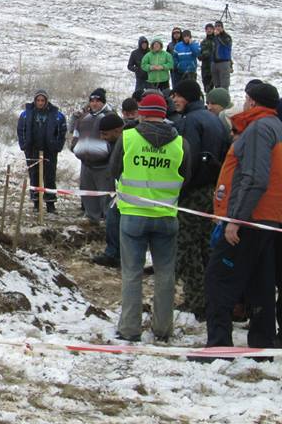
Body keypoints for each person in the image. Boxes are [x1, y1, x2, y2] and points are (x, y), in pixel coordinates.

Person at [204, 82, 281, 350]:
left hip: (251, 218)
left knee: (218, 279)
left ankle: (218, 345)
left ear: (251, 102)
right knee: (261, 284)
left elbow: (255, 178)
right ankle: (262, 345)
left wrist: (235, 219)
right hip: (269, 219)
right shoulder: (276, 127)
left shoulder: (260, 128)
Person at [109, 93, 191, 342]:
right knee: (166, 274)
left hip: (133, 215)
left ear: (142, 112)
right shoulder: (181, 143)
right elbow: (186, 177)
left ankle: (130, 328)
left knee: (132, 273)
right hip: (166, 216)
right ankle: (163, 328)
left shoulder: (128, 137)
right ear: (165, 114)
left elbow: (113, 170)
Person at [170, 79, 230, 319]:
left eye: (178, 96)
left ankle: (197, 301)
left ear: (190, 97)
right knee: (207, 246)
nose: (174, 99)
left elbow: (188, 160)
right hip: (212, 191)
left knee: (187, 247)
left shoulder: (191, 122)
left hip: (193, 193)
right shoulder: (214, 120)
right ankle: (213, 298)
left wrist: (181, 191)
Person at [17, 90, 67, 213]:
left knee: (50, 177)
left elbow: (61, 132)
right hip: (32, 149)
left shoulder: (57, 115)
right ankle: (36, 203)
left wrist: (57, 146)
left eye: (42, 100)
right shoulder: (26, 114)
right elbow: (20, 130)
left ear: (46, 101)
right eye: (38, 100)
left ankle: (50, 204)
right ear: (35, 101)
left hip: (49, 150)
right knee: (34, 176)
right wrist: (24, 145)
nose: (40, 103)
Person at [70, 88, 115, 223]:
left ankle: (109, 220)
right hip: (86, 162)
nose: (94, 104)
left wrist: (110, 154)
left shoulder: (110, 117)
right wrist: (75, 148)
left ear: (103, 102)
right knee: (88, 193)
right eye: (92, 101)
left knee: (106, 195)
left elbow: (115, 139)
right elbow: (75, 134)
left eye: (97, 101)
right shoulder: (84, 117)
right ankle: (92, 219)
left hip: (103, 164)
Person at [91, 113, 127, 268]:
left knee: (117, 220)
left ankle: (119, 255)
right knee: (112, 219)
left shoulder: (127, 142)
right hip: (120, 190)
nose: (102, 137)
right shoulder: (115, 143)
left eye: (105, 134)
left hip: (133, 192)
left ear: (117, 130)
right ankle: (113, 254)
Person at [211, 20, 233, 89]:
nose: (217, 28)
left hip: (224, 63)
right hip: (214, 63)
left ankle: (225, 99)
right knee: (216, 85)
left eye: (219, 26)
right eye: (216, 26)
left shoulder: (227, 37)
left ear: (222, 27)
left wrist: (218, 36)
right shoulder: (213, 37)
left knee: (224, 85)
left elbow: (225, 44)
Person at [199, 23, 216, 92]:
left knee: (218, 87)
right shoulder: (203, 42)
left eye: (210, 29)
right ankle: (209, 102)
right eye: (207, 29)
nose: (209, 31)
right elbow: (199, 56)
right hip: (206, 68)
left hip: (216, 67)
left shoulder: (217, 41)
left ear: (213, 30)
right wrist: (205, 54)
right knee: (207, 88)